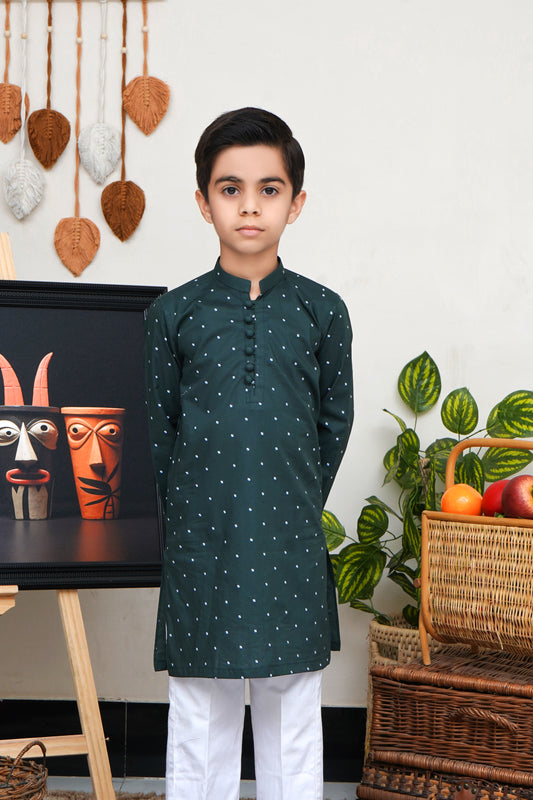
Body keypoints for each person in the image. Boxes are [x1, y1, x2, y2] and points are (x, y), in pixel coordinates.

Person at [144, 107, 354, 800]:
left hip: (289, 539)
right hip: (202, 541)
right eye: (230, 189)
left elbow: (334, 423)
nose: (250, 206)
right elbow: (161, 434)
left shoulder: (323, 311)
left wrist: (291, 499)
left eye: (269, 189)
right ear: (203, 202)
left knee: (291, 709)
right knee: (199, 708)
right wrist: (198, 513)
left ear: (297, 202)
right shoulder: (172, 315)